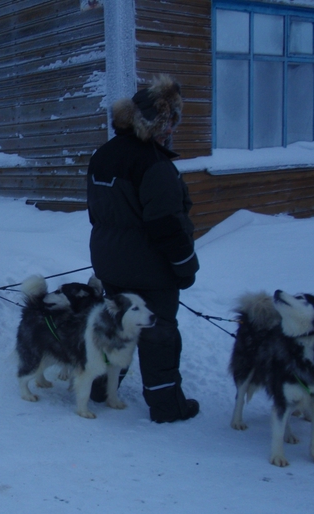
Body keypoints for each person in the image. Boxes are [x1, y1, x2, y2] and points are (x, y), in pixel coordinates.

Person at [86, 74, 200, 423]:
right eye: (171, 123)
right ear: (158, 123)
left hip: (109, 262)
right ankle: (168, 407)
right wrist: (186, 265)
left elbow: (97, 212)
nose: (173, 132)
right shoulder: (155, 164)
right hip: (150, 269)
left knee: (117, 325)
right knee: (158, 333)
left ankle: (100, 389)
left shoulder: (102, 155)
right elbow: (167, 224)